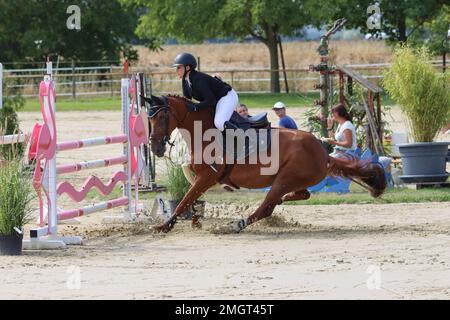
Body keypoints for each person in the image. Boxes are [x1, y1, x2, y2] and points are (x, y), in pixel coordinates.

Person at [173, 52, 239, 132]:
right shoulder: (185, 80)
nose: (177, 71)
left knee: (219, 123)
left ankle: (245, 140)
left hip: (227, 97)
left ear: (187, 68)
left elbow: (211, 100)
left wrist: (195, 107)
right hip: (216, 100)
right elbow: (187, 100)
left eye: (179, 67)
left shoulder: (198, 79)